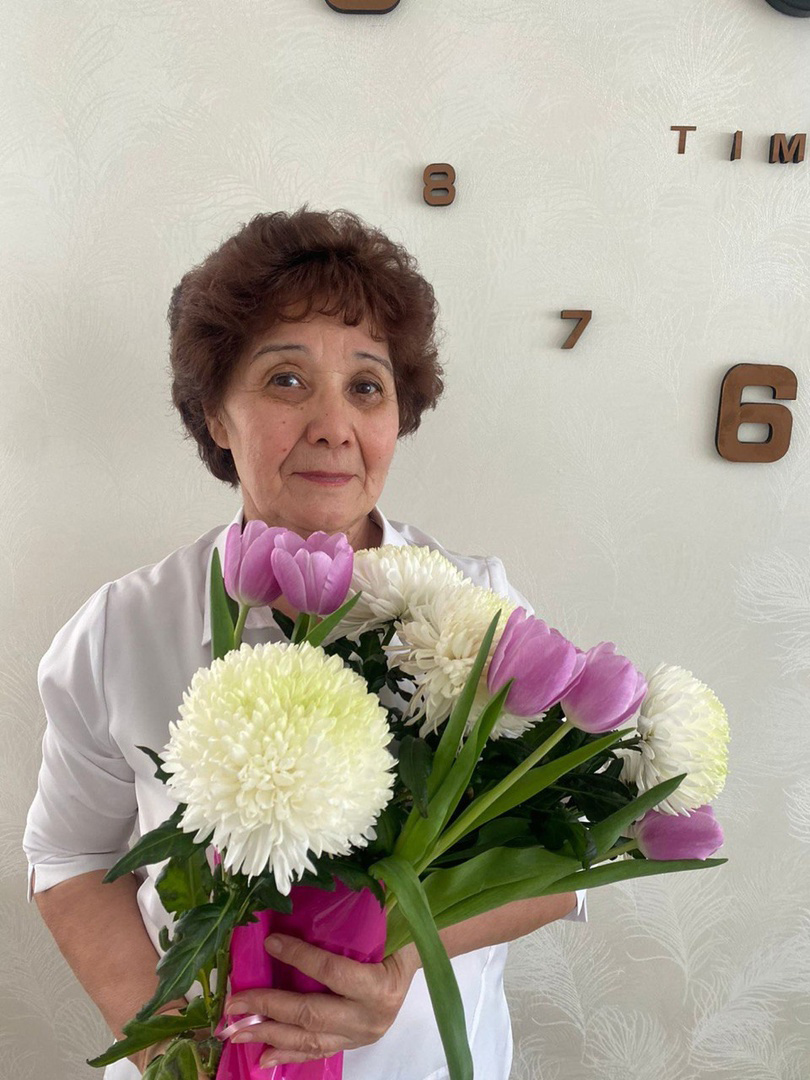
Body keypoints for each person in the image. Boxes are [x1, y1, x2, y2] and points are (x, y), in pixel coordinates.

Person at [23, 204, 587, 1080]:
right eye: (286, 380)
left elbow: (569, 856)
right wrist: (177, 1048)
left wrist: (404, 952)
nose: (333, 424)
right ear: (215, 416)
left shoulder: (478, 615)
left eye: (366, 387)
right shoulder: (121, 630)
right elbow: (72, 856)